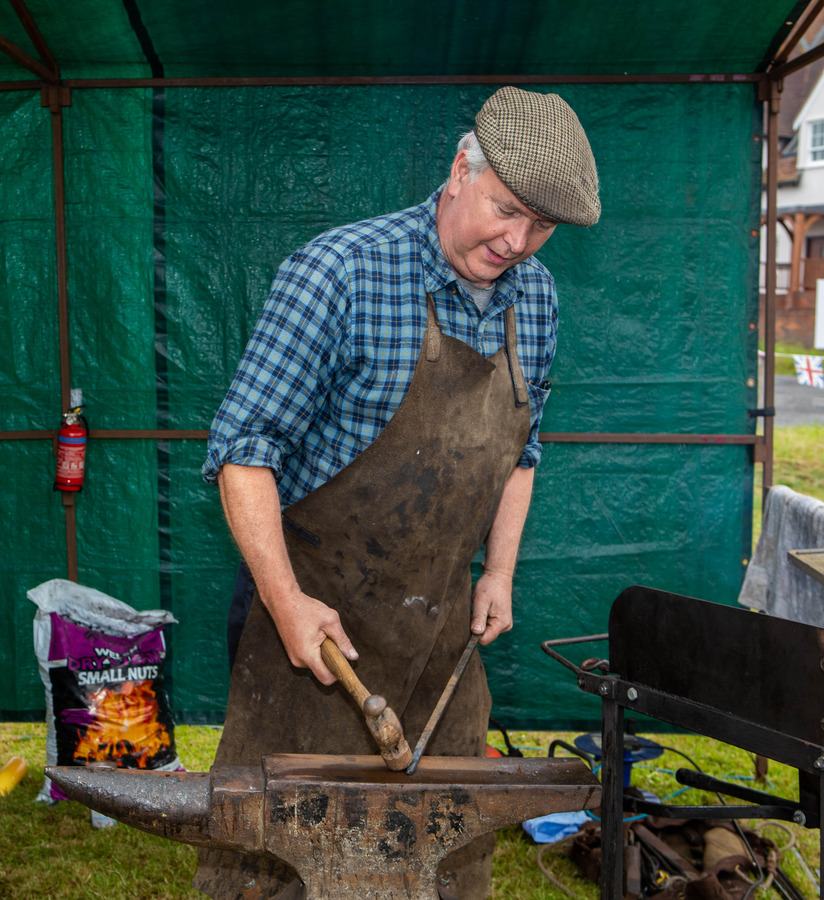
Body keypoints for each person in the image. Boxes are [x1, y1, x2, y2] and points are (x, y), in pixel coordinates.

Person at [195, 86, 600, 900]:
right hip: (315, 630)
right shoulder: (340, 271)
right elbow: (243, 452)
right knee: (283, 856)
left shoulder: (538, 298)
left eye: (541, 227)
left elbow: (522, 454)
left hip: (442, 631)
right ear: (460, 169)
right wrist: (286, 601)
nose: (516, 242)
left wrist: (497, 573)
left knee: (444, 849)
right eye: (506, 210)